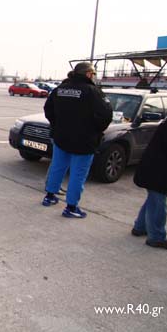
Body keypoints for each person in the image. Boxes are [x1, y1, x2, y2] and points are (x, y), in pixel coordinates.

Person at [42, 62, 113, 218]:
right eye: (93, 74)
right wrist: (95, 130)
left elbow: (48, 110)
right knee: (78, 174)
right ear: (88, 74)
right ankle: (71, 207)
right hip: (84, 140)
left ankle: (49, 196)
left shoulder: (60, 89)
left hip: (61, 137)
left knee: (57, 167)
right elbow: (106, 115)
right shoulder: (92, 91)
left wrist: (57, 125)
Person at [132, 98, 167, 250]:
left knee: (154, 198)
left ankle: (140, 226)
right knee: (158, 202)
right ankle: (156, 237)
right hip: (162, 168)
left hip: (159, 166)